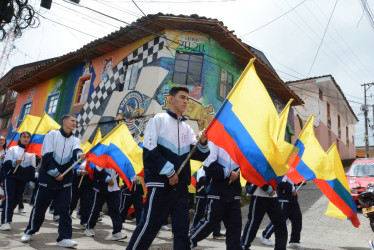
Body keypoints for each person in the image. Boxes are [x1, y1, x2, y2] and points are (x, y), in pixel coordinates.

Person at [126, 86, 210, 250]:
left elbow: (199, 155)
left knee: (182, 231)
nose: (186, 101)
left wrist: (203, 142)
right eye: (182, 97)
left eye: (187, 98)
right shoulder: (158, 119)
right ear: (171, 99)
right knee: (149, 225)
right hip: (160, 184)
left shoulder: (187, 129)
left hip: (181, 188)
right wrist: (169, 171)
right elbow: (149, 152)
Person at [20, 114, 85, 248]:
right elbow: (47, 155)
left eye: (76, 122)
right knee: (40, 208)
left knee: (64, 211)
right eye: (72, 120)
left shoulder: (75, 139)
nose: (75, 123)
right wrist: (55, 173)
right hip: (48, 178)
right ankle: (29, 231)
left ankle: (64, 237)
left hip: (65, 180)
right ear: (64, 121)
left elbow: (76, 152)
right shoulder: (52, 134)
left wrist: (80, 156)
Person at [189, 142, 242, 249]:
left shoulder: (239, 142)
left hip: (234, 192)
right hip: (217, 191)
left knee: (235, 227)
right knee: (210, 222)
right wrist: (227, 173)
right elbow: (208, 165)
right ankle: (190, 240)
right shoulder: (215, 141)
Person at [1, 132, 36, 231]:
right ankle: (5, 221)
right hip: (11, 178)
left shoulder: (31, 153)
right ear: (20, 138)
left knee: (16, 200)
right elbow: (6, 164)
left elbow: (32, 169)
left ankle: (6, 214)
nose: (26, 139)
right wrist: (14, 162)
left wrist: (31, 181)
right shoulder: (12, 149)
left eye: (28, 137)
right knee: (9, 198)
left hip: (22, 180)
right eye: (24, 137)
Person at [261, 176, 305, 249]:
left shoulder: (292, 169)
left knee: (297, 219)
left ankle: (294, 241)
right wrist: (292, 189)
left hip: (293, 199)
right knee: (280, 220)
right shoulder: (282, 169)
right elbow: (281, 181)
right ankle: (265, 235)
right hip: (284, 199)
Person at [241, 182, 288, 250]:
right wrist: (268, 189)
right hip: (259, 195)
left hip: (273, 196)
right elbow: (258, 176)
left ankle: (280, 248)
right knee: (254, 222)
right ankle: (244, 246)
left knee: (280, 223)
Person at [85, 166, 126, 241]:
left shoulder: (117, 158)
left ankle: (117, 232)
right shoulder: (101, 157)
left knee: (115, 210)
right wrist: (107, 179)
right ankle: (89, 227)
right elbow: (98, 170)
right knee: (96, 209)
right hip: (101, 187)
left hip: (114, 188)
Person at [190, 166, 224, 240]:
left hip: (211, 193)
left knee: (215, 212)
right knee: (199, 212)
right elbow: (201, 179)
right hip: (202, 192)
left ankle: (216, 232)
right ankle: (193, 229)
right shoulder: (203, 167)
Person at [69, 161, 93, 228]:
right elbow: (72, 167)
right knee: (72, 202)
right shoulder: (78, 155)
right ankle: (66, 219)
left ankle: (84, 221)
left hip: (89, 184)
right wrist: (79, 172)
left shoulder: (95, 157)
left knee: (86, 203)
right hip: (76, 183)